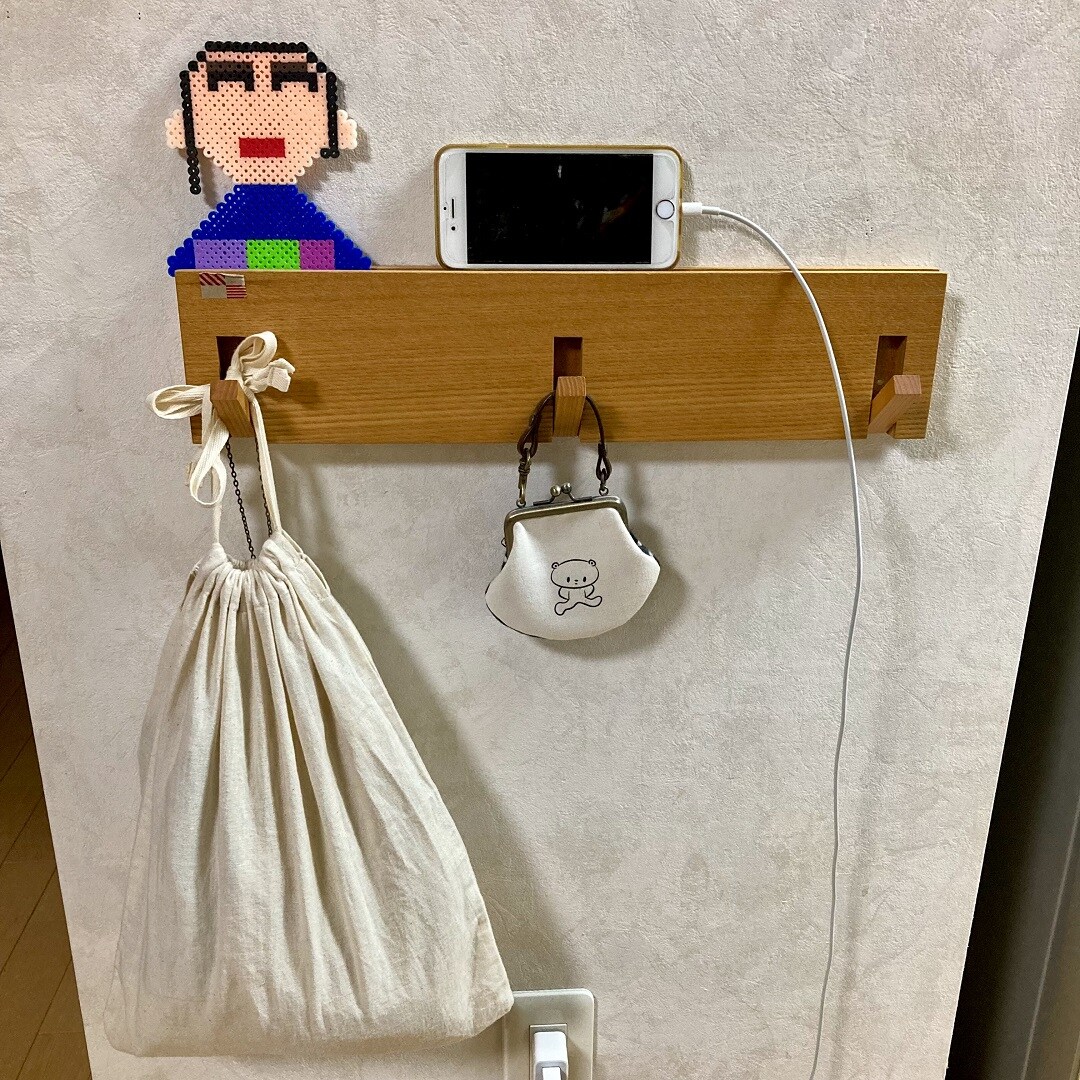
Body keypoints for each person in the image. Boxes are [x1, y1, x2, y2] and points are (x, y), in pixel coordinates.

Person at [166, 41, 371, 274]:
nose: (258, 118)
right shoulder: (225, 231)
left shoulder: (305, 230)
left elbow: (346, 268)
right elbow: (190, 275)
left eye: (294, 84)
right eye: (229, 84)